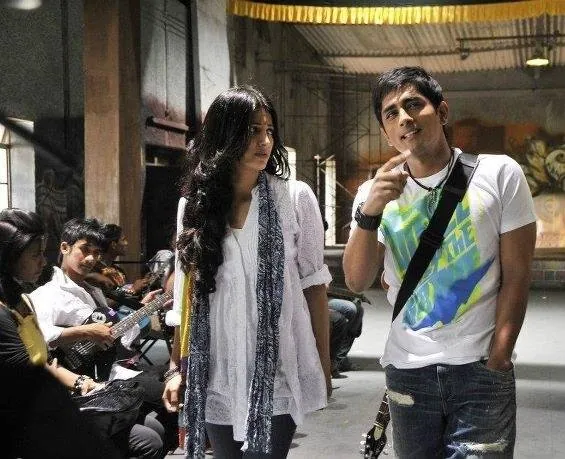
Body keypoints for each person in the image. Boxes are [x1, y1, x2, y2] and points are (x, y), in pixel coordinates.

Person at [343, 66, 536, 458]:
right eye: (391, 113)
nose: (404, 118)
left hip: (479, 369)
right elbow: (357, 280)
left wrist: (499, 358)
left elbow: (517, 276)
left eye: (414, 104)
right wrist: (370, 211)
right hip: (408, 372)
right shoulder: (373, 193)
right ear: (386, 133)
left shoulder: (499, 174)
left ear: (442, 111)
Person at [161, 85, 332, 458]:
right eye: (253, 130)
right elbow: (188, 295)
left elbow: (314, 286)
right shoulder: (194, 206)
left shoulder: (294, 198)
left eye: (269, 130)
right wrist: (176, 367)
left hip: (277, 368)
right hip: (216, 370)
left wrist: (323, 362)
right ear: (225, 135)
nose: (264, 141)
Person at [30, 217, 168, 458]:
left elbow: (114, 336)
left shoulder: (93, 291)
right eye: (85, 250)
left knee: (160, 420)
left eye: (96, 253)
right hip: (78, 389)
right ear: (65, 247)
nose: (91, 258)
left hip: (107, 375)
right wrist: (86, 331)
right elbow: (39, 340)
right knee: (154, 430)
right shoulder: (47, 294)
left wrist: (142, 311)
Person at [0, 208, 120, 458]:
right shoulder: (7, 311)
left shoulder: (23, 302)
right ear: (10, 257)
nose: (43, 262)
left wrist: (82, 382)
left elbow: (43, 364)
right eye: (36, 255)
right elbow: (31, 375)